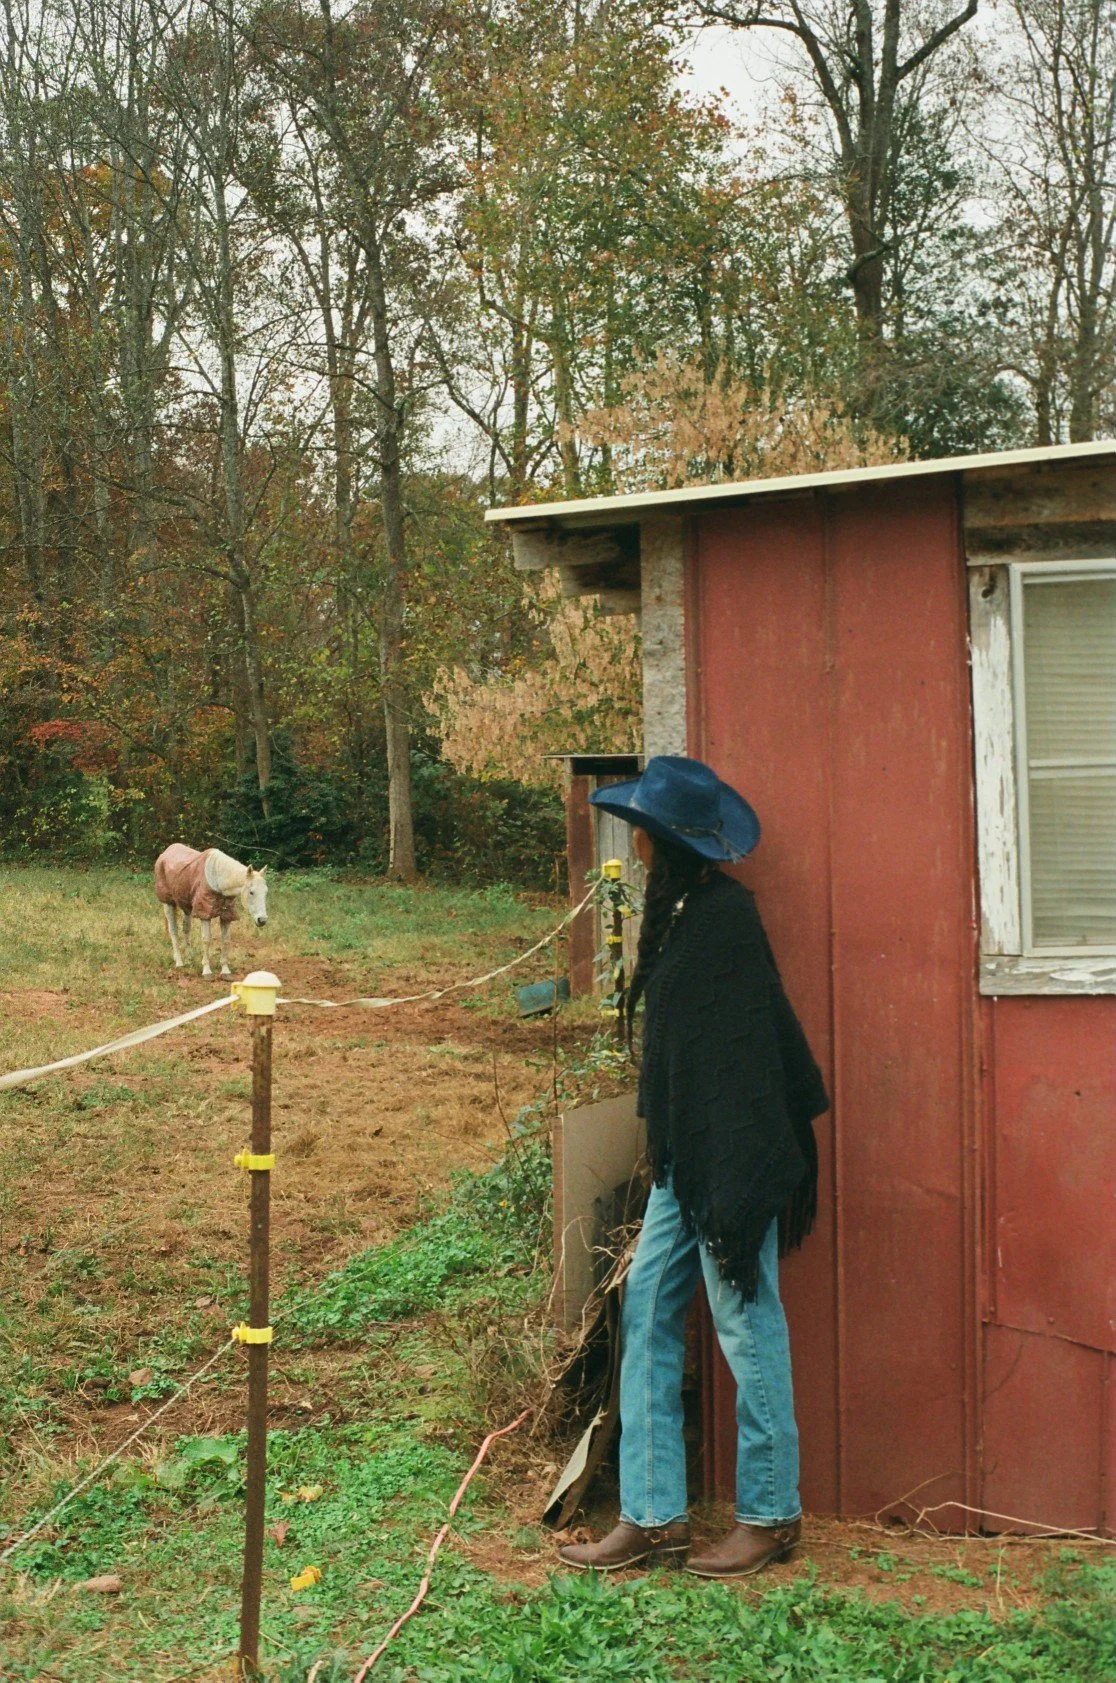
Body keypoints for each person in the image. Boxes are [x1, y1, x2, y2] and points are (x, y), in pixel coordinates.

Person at [557, 755, 828, 1579]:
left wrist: (722, 1162)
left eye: (642, 833)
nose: (634, 845)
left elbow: (744, 1061)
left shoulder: (723, 919)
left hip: (731, 1162)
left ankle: (772, 1512)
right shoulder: (671, 912)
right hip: (685, 1161)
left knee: (746, 1323)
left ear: (662, 843)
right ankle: (652, 1514)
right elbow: (679, 1055)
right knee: (647, 1308)